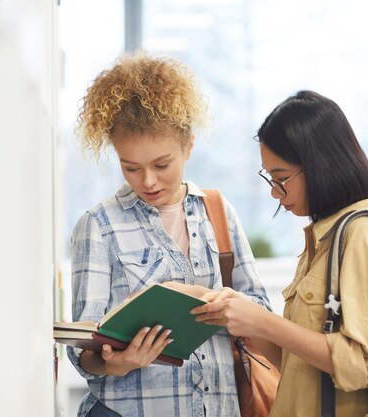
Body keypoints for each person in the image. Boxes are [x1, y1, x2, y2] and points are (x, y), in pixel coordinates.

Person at [67, 53, 271, 417]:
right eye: (131, 167)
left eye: (161, 165)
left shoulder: (219, 212)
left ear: (188, 145)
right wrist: (118, 362)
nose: (147, 181)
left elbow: (260, 307)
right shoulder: (97, 225)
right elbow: (83, 346)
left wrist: (217, 302)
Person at [192, 90, 368, 416]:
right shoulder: (323, 241)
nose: (274, 192)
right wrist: (241, 319)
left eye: (281, 178)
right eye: (269, 178)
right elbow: (299, 362)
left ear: (320, 165)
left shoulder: (362, 235)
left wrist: (264, 323)